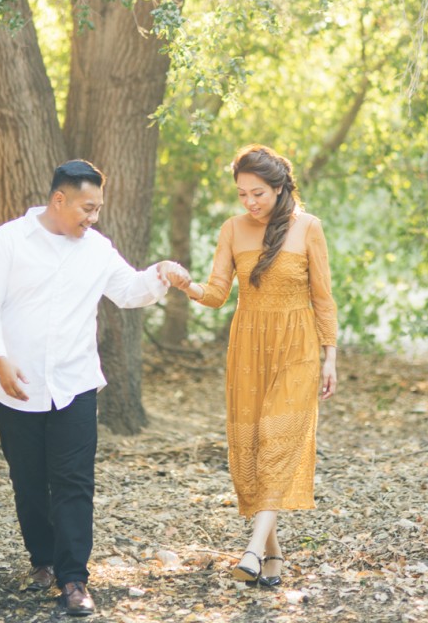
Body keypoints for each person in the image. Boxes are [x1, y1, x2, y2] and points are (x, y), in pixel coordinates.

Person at [0, 159, 189, 617]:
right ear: (59, 200)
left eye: (99, 209)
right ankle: (42, 561)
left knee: (73, 483)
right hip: (17, 384)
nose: (93, 217)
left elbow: (129, 290)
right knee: (29, 484)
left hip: (75, 383)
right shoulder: (7, 242)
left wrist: (162, 272)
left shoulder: (97, 249)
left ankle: (74, 579)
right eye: (87, 208)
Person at [168, 144, 337, 588]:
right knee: (253, 448)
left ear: (279, 188)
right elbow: (218, 292)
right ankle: (274, 556)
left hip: (297, 345)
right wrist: (187, 285)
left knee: (278, 439)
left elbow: (323, 297)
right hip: (247, 346)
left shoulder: (308, 228)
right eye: (242, 194)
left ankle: (250, 550)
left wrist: (330, 355)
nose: (250, 202)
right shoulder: (233, 229)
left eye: (258, 193)